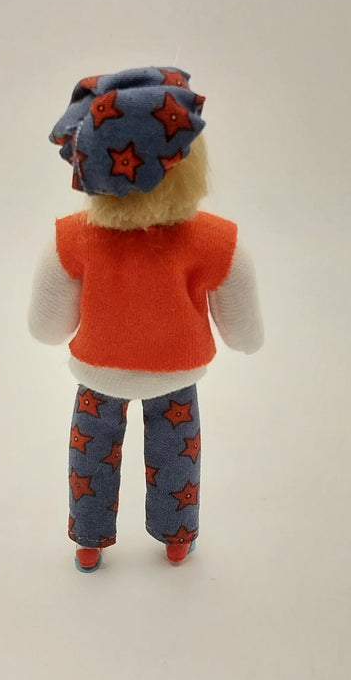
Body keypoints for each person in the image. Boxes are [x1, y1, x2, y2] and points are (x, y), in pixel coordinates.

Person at [28, 66, 263, 572]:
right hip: (175, 373)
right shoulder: (215, 239)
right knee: (177, 452)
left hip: (99, 371)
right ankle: (177, 537)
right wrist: (246, 340)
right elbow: (243, 326)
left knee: (91, 454)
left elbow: (46, 325)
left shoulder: (73, 237)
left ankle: (88, 540)